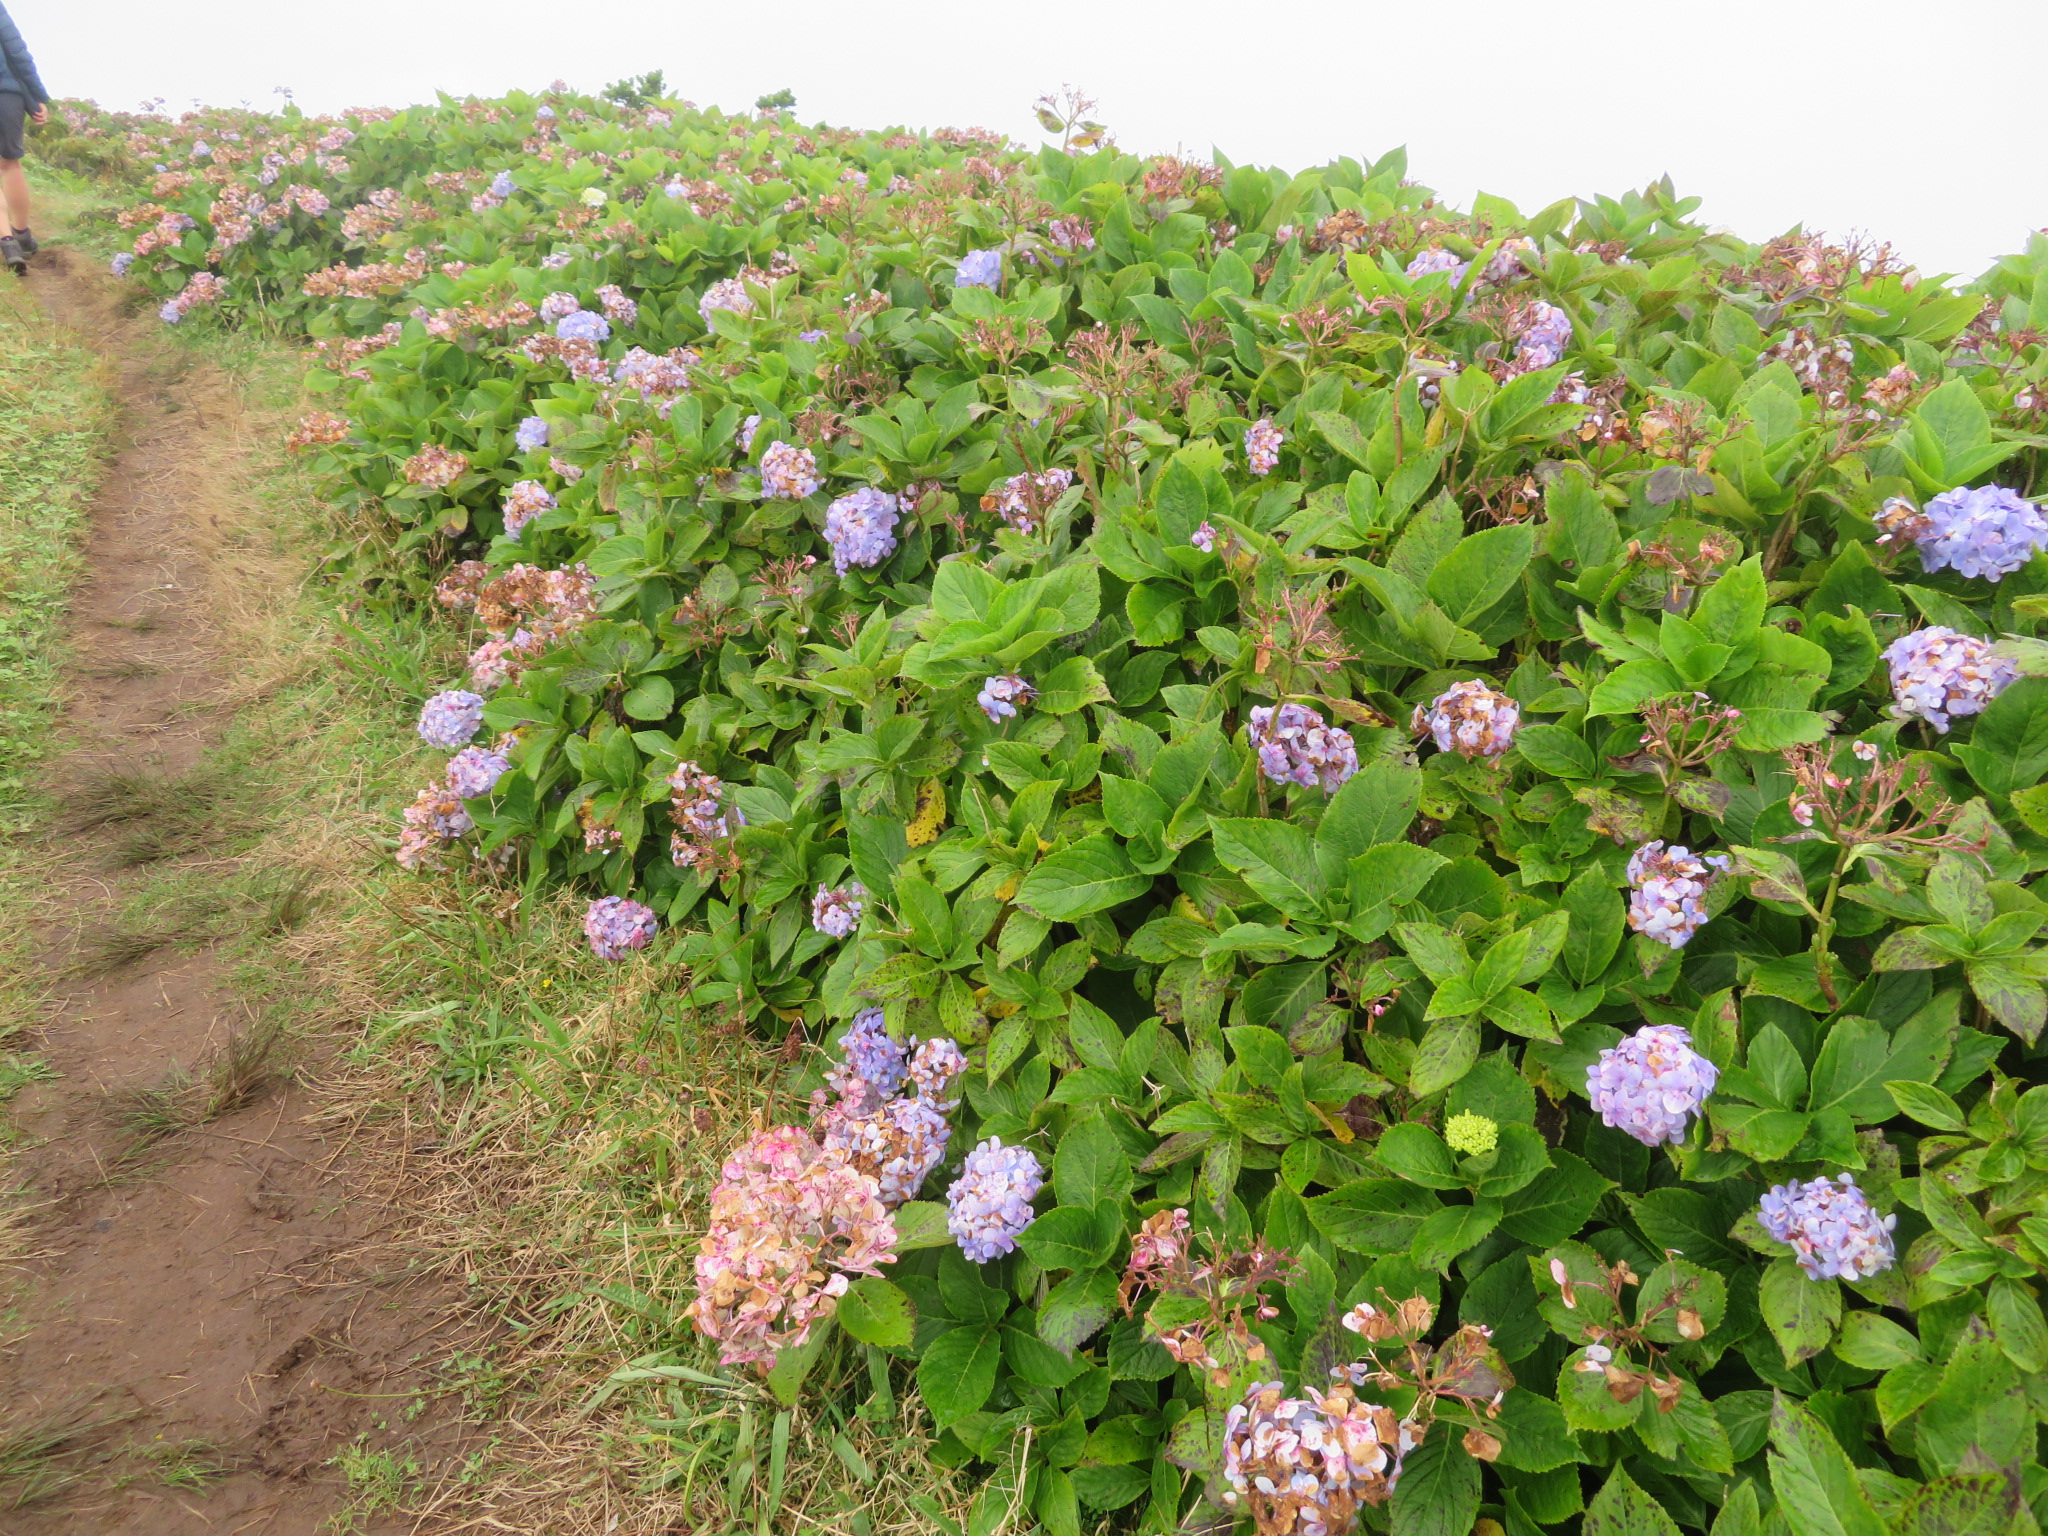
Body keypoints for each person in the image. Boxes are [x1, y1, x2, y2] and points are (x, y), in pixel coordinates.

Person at [0, 1, 50, 276]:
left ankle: (7, 243)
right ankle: (21, 235)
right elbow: (16, 52)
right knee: (9, 164)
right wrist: (36, 98)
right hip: (6, 94)